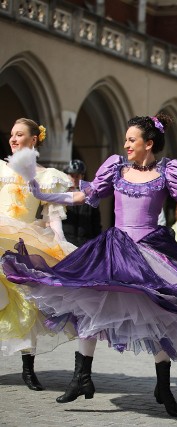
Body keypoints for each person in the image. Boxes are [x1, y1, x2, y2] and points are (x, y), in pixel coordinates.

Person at [1, 114, 177, 417]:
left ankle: (163, 386)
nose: (125, 144)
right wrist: (43, 194)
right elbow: (83, 194)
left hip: (151, 251)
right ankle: (82, 377)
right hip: (114, 249)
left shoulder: (169, 171)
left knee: (164, 314)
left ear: (148, 143)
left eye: (131, 140)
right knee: (90, 303)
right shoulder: (115, 168)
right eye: (125, 139)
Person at [0, 118, 75, 391]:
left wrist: (60, 241)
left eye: (19, 134)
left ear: (33, 140)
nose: (13, 139)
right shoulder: (1, 170)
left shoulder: (46, 176)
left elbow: (53, 216)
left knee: (27, 304)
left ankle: (27, 369)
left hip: (24, 244)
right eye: (11, 134)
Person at [61, 159, 102, 246]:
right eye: (72, 176)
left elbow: (96, 224)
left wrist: (97, 244)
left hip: (85, 245)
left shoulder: (90, 196)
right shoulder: (60, 195)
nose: (74, 179)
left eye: (77, 176)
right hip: (65, 243)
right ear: (66, 176)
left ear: (82, 177)